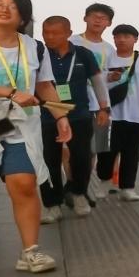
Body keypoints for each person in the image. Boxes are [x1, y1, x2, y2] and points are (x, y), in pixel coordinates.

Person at [0, 0, 72, 272]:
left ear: (23, 16)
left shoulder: (34, 47)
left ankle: (31, 252)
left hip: (19, 125)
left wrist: (60, 115)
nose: (5, 9)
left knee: (24, 184)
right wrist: (10, 92)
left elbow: (43, 85)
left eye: (13, 6)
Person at [39, 16, 105, 221]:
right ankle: (52, 204)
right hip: (46, 116)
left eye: (55, 33)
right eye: (45, 32)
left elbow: (97, 83)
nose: (49, 37)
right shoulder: (39, 54)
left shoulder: (83, 54)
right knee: (48, 162)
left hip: (79, 115)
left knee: (82, 158)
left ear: (68, 33)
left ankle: (78, 194)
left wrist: (105, 108)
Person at [95, 24, 139, 201]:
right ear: (114, 38)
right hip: (108, 115)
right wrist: (109, 77)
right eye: (118, 36)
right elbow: (96, 82)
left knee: (131, 154)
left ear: (135, 39)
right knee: (105, 152)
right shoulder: (106, 58)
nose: (122, 39)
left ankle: (127, 188)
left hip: (135, 116)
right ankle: (104, 182)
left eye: (127, 36)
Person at [70, 2, 117, 202]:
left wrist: (111, 78)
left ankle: (83, 188)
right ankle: (73, 187)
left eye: (103, 18)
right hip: (74, 104)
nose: (98, 20)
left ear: (109, 23)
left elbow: (101, 78)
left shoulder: (109, 48)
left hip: (99, 106)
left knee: (94, 150)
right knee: (72, 150)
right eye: (94, 16)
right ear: (85, 18)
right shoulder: (72, 42)